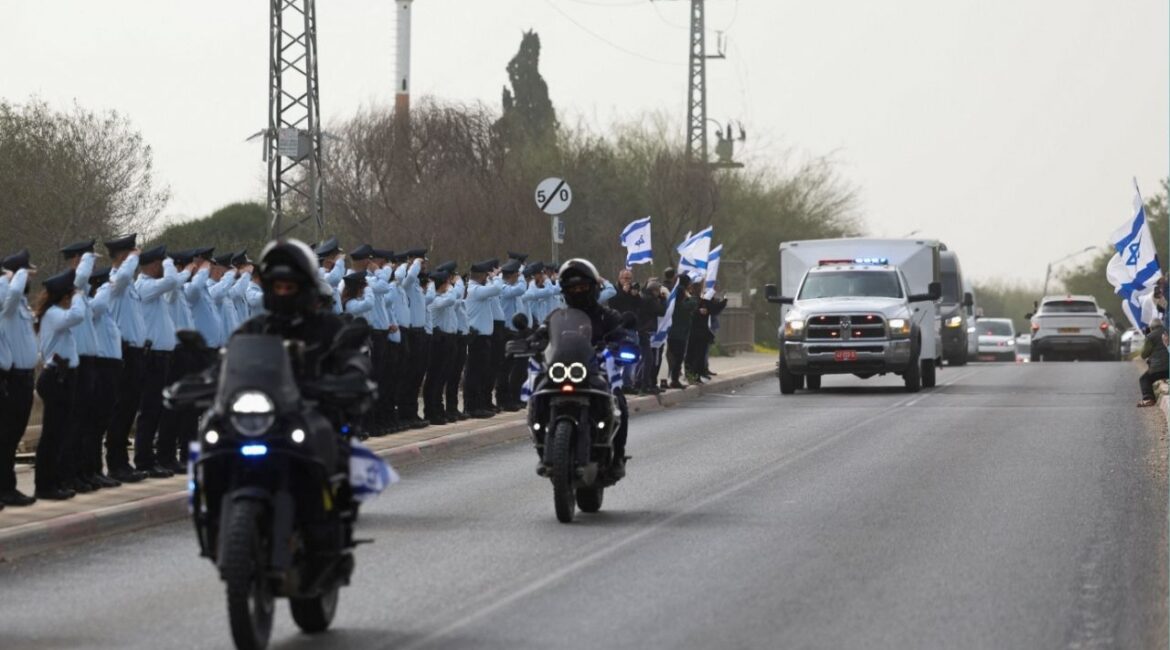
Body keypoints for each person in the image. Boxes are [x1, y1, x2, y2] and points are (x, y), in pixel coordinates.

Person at [552, 258, 631, 478]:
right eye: (573, 288)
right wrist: (526, 342)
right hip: (563, 370)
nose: (578, 292)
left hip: (596, 371)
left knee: (620, 402)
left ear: (593, 288)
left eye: (582, 287)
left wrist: (621, 346)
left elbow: (622, 335)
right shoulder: (559, 316)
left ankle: (617, 456)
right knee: (538, 391)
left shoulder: (608, 315)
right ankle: (541, 436)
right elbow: (542, 334)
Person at [33, 269, 86, 500]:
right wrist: (79, 297)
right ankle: (45, 486)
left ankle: (54, 481)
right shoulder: (54, 314)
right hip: (56, 378)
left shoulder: (54, 314)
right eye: (70, 296)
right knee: (52, 435)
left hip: (63, 377)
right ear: (65, 297)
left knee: (60, 433)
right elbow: (77, 316)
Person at [0, 250, 40, 506]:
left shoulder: (21, 304)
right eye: (26, 274)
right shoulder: (8, 299)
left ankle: (8, 487)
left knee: (13, 436)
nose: (29, 279)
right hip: (11, 377)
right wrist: (11, 275)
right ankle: (5, 488)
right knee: (5, 436)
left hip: (25, 377)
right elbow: (12, 294)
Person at [464, 260, 502, 418]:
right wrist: (496, 277)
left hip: (483, 337)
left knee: (481, 373)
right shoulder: (475, 290)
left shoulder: (479, 289)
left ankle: (478, 404)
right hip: (477, 338)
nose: (488, 277)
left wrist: (492, 278)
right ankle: (472, 407)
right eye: (486, 275)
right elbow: (497, 288)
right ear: (481, 276)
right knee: (475, 374)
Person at [665, 274, 696, 389]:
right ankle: (674, 379)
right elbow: (689, 306)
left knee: (672, 356)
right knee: (678, 357)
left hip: (674, 331)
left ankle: (671, 378)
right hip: (678, 332)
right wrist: (691, 296)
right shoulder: (679, 291)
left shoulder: (675, 290)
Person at [1138, 317, 1168, 407]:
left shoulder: (1150, 336)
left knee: (1144, 379)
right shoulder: (1168, 332)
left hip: (1158, 369)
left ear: (1151, 327)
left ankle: (1148, 399)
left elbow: (1144, 354)